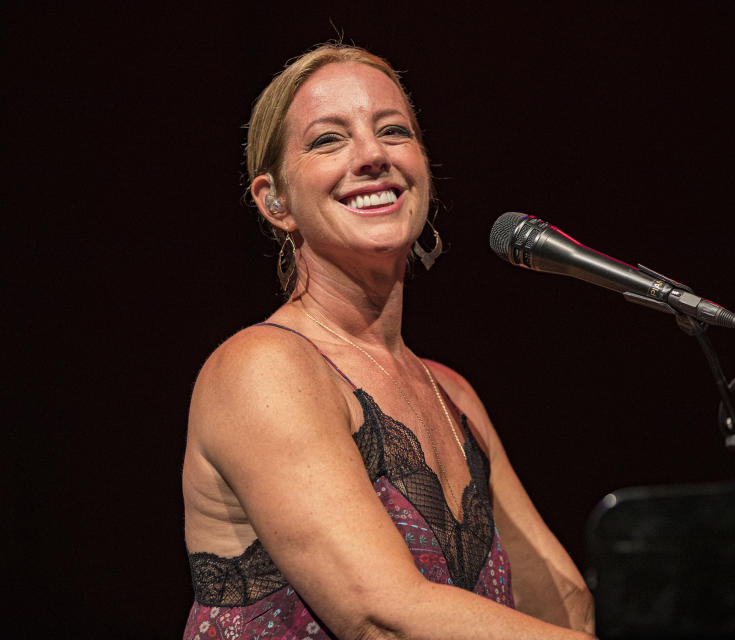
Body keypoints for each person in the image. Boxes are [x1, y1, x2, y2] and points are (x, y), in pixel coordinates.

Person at [181, 43, 595, 640]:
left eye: (393, 131)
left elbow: (564, 603)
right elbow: (382, 616)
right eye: (329, 139)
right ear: (275, 202)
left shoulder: (454, 396)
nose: (373, 156)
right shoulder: (261, 368)